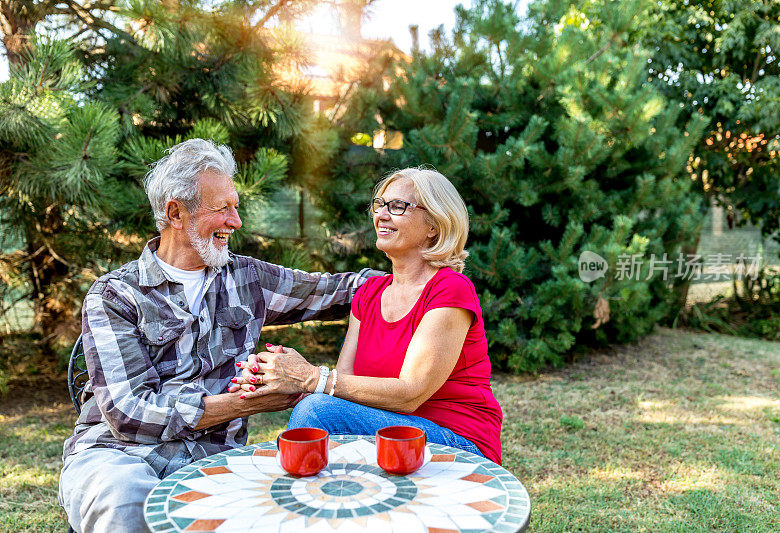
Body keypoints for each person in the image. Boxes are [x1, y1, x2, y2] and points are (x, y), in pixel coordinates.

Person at [58, 139, 380, 532]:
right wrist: (244, 404)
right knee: (125, 499)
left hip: (215, 457)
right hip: (119, 455)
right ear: (175, 212)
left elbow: (343, 289)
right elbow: (129, 414)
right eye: (222, 208)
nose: (236, 221)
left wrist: (424, 275)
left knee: (294, 509)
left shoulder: (249, 278)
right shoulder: (115, 295)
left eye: (236, 206)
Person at [234, 167, 503, 463]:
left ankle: (296, 500)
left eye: (398, 206)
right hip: (393, 433)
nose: (381, 215)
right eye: (379, 204)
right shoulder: (370, 293)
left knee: (317, 411)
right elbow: (341, 385)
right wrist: (282, 374)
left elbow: (411, 395)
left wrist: (311, 377)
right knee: (317, 405)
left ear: (434, 225)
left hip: (458, 441)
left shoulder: (449, 288)